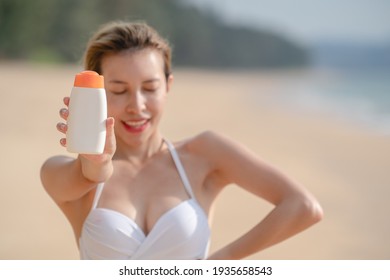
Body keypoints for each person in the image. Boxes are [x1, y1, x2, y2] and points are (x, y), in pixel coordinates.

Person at [40, 21, 323, 260]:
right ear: (97, 93)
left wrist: (216, 265)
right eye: (118, 90)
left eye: (150, 88)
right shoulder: (60, 173)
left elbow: (303, 207)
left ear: (168, 86)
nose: (137, 106)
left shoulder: (203, 155)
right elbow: (88, 175)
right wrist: (97, 161)